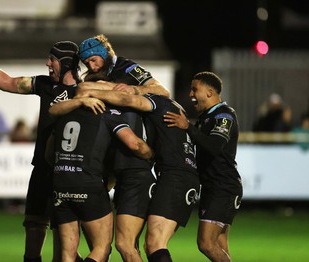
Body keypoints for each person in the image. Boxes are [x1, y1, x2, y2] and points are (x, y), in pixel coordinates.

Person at [0, 40, 82, 262]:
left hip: (69, 171)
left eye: (52, 60)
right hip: (42, 167)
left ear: (66, 63)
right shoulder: (44, 85)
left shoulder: (87, 90)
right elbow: (8, 82)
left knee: (64, 247)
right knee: (33, 230)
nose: (47, 63)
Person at [77, 88, 199, 261]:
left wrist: (151, 155)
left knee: (128, 244)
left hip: (139, 178)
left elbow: (136, 145)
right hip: (134, 178)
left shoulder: (120, 111)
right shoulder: (140, 112)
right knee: (136, 245)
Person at [77, 34, 169, 261]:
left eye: (94, 60)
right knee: (110, 244)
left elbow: (162, 91)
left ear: (106, 53)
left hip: (132, 160)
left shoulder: (129, 69)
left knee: (125, 244)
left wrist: (134, 90)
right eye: (87, 62)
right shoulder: (93, 76)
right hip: (109, 163)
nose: (91, 65)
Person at [49, 96, 153, 262]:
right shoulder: (108, 113)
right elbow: (135, 145)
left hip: (60, 184)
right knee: (102, 247)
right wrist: (151, 154)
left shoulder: (65, 113)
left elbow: (49, 152)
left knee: (67, 253)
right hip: (87, 183)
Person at [163, 71, 243, 262]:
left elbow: (214, 146)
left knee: (206, 243)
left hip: (223, 188)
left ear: (209, 92)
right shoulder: (205, 117)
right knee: (220, 245)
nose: (191, 94)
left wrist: (187, 127)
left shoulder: (224, 116)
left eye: (194, 89)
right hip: (212, 187)